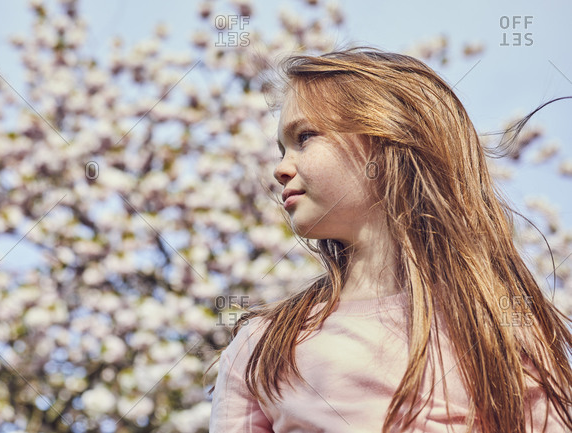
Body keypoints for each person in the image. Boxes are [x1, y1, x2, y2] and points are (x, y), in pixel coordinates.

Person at [206, 46, 572, 432]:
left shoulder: (493, 325)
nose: (280, 169)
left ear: (386, 139)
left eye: (305, 137)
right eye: (282, 148)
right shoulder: (261, 348)